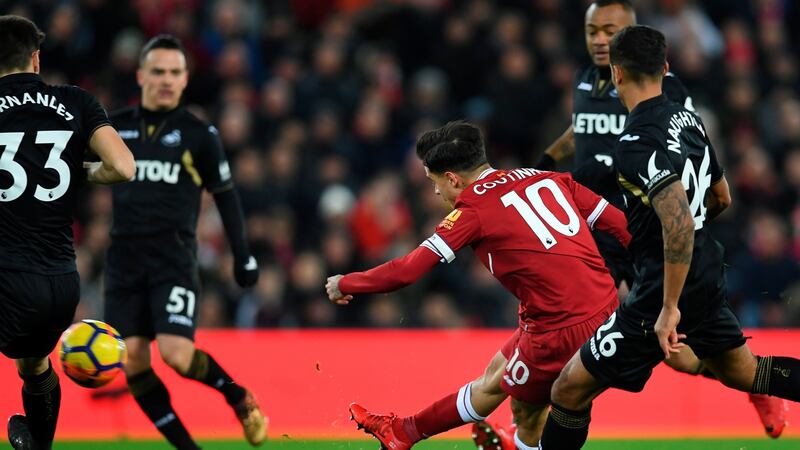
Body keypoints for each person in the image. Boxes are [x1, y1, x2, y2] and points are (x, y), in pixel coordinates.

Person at [476, 1, 787, 445]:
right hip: (610, 232)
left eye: (611, 31)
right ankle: (527, 432)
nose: (600, 39)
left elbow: (676, 212)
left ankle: (528, 434)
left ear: (628, 45)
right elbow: (583, 129)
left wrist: (668, 291)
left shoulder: (659, 110)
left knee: (573, 363)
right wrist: (546, 162)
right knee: (691, 359)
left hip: (633, 233)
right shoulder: (588, 80)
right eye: (593, 31)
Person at [326, 120, 632, 449]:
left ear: (453, 179)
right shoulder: (544, 177)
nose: (435, 192)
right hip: (602, 308)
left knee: (522, 405)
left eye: (434, 182)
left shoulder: (473, 210)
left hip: (562, 326)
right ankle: (406, 432)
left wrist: (348, 282)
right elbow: (623, 226)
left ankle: (407, 433)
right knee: (499, 376)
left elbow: (408, 271)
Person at [103, 35, 266, 449]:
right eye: (158, 71)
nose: (166, 80)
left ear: (186, 79)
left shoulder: (198, 135)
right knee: (134, 361)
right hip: (122, 260)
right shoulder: (113, 128)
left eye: (175, 72)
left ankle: (237, 396)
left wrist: (243, 257)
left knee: (177, 355)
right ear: (141, 75)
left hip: (171, 256)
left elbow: (226, 196)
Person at [0, 15, 135, 450]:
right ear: (35, 59)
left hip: (7, 275)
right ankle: (39, 444)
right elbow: (124, 167)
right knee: (33, 366)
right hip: (60, 282)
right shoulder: (76, 101)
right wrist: (80, 173)